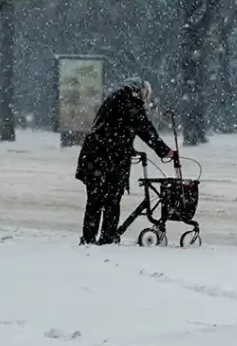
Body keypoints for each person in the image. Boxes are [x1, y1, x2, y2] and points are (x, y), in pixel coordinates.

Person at [75, 78, 175, 245]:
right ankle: (107, 238)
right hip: (110, 159)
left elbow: (113, 129)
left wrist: (127, 147)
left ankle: (89, 239)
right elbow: (144, 129)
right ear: (138, 91)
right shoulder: (130, 103)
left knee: (95, 200)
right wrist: (164, 151)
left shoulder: (114, 99)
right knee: (112, 200)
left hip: (93, 157)